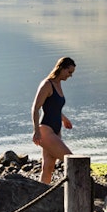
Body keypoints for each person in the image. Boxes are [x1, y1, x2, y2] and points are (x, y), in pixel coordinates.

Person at [31, 56, 76, 184]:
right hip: (45, 131)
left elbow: (54, 107)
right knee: (72, 160)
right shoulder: (47, 84)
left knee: (48, 168)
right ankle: (78, 195)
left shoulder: (58, 84)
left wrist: (64, 118)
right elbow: (35, 108)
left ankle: (42, 195)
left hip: (56, 130)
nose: (70, 75)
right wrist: (36, 131)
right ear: (62, 68)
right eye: (69, 72)